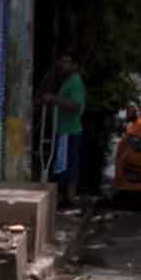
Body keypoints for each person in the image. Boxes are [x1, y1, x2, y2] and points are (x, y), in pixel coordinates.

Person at [52, 60, 91, 200]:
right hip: (65, 129)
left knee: (65, 164)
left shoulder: (75, 82)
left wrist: (54, 100)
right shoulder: (70, 81)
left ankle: (67, 196)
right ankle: (67, 196)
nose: (62, 65)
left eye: (67, 62)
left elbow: (75, 105)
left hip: (69, 130)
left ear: (74, 65)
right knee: (65, 163)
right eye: (62, 62)